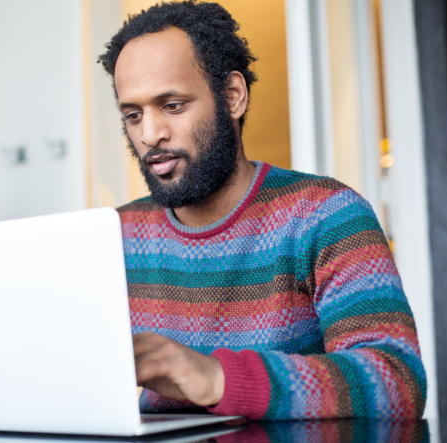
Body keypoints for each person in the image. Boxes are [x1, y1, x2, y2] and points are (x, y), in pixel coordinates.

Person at [98, 1, 426, 419]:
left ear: (232, 96)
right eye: (133, 114)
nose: (150, 134)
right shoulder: (114, 236)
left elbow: (397, 382)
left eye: (173, 105)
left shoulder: (326, 214)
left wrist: (217, 377)